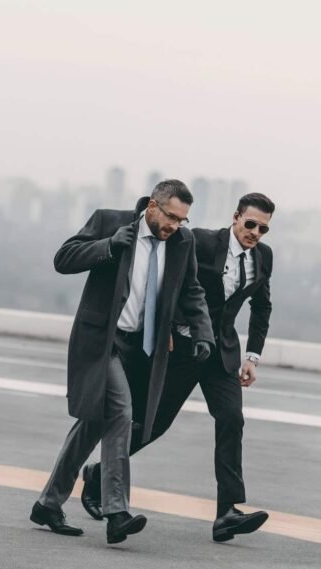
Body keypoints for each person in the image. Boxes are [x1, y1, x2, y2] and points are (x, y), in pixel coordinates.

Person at [80, 192, 275, 543]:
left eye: (263, 228)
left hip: (221, 355)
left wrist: (253, 356)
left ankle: (227, 512)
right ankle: (98, 474)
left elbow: (262, 307)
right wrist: (165, 328)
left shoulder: (263, 257)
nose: (256, 233)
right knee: (154, 423)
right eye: (250, 224)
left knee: (232, 420)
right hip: (182, 349)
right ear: (235, 217)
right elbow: (166, 282)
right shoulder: (198, 240)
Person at [31, 180, 213, 544]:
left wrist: (203, 331)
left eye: (183, 220)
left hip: (141, 349)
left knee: (92, 424)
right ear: (152, 207)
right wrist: (109, 246)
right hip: (103, 341)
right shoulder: (110, 222)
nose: (176, 226)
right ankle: (117, 511)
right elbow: (63, 259)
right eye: (172, 217)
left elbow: (192, 291)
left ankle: (48, 504)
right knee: (121, 415)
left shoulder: (182, 243)